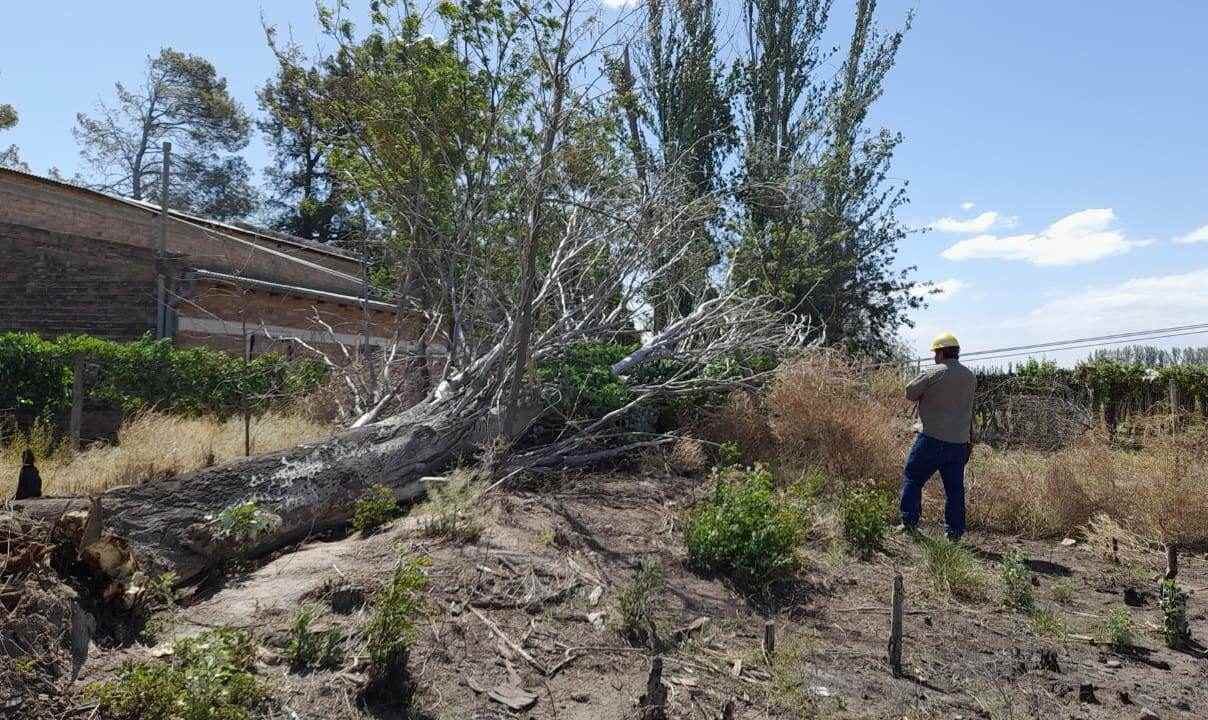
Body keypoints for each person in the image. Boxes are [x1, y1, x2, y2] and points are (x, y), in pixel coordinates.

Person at [899, 332, 976, 541]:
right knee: (954, 491)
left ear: (941, 353)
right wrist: (970, 441)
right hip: (959, 443)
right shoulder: (970, 376)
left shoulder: (934, 372)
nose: (934, 357)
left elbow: (909, 392)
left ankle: (909, 523)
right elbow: (969, 410)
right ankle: (954, 533)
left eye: (935, 353)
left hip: (931, 438)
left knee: (913, 477)